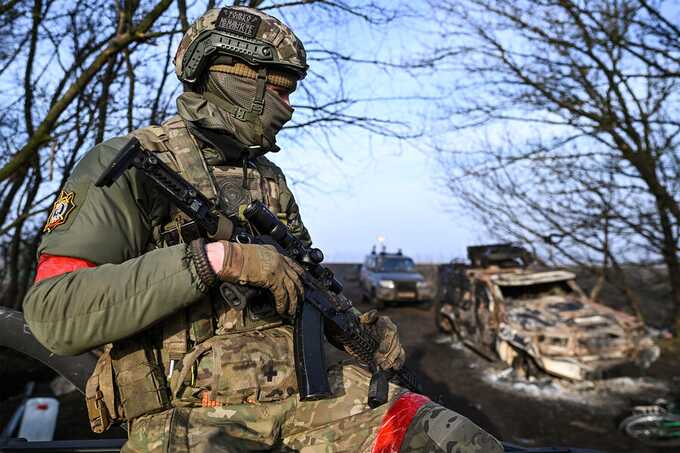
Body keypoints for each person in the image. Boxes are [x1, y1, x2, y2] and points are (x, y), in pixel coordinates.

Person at [23, 7, 503, 453]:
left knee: (457, 441)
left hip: (309, 401)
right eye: (282, 88)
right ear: (235, 77)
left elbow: (305, 287)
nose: (289, 107)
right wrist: (218, 260)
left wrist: (359, 333)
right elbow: (54, 310)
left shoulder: (267, 179)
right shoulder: (128, 165)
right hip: (192, 421)